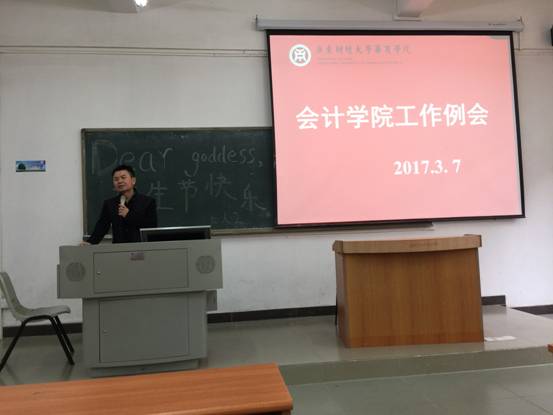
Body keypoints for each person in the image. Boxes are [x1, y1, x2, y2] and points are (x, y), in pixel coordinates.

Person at [84, 165, 157, 244]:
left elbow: (151, 228)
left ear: (133, 181)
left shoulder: (147, 202)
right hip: (119, 248)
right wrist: (90, 243)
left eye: (123, 177)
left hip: (141, 248)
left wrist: (129, 215)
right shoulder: (110, 204)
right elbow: (102, 226)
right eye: (116, 179)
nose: (119, 181)